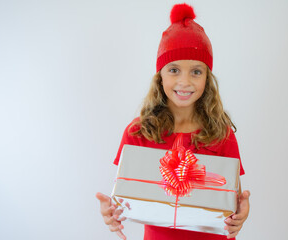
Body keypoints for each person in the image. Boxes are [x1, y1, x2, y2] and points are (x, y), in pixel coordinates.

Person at [96, 3, 250, 240]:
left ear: (207, 78)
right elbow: (124, 197)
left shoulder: (221, 134)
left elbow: (232, 199)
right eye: (174, 70)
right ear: (160, 76)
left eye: (196, 71)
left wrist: (241, 212)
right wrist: (112, 211)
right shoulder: (138, 133)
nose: (185, 82)